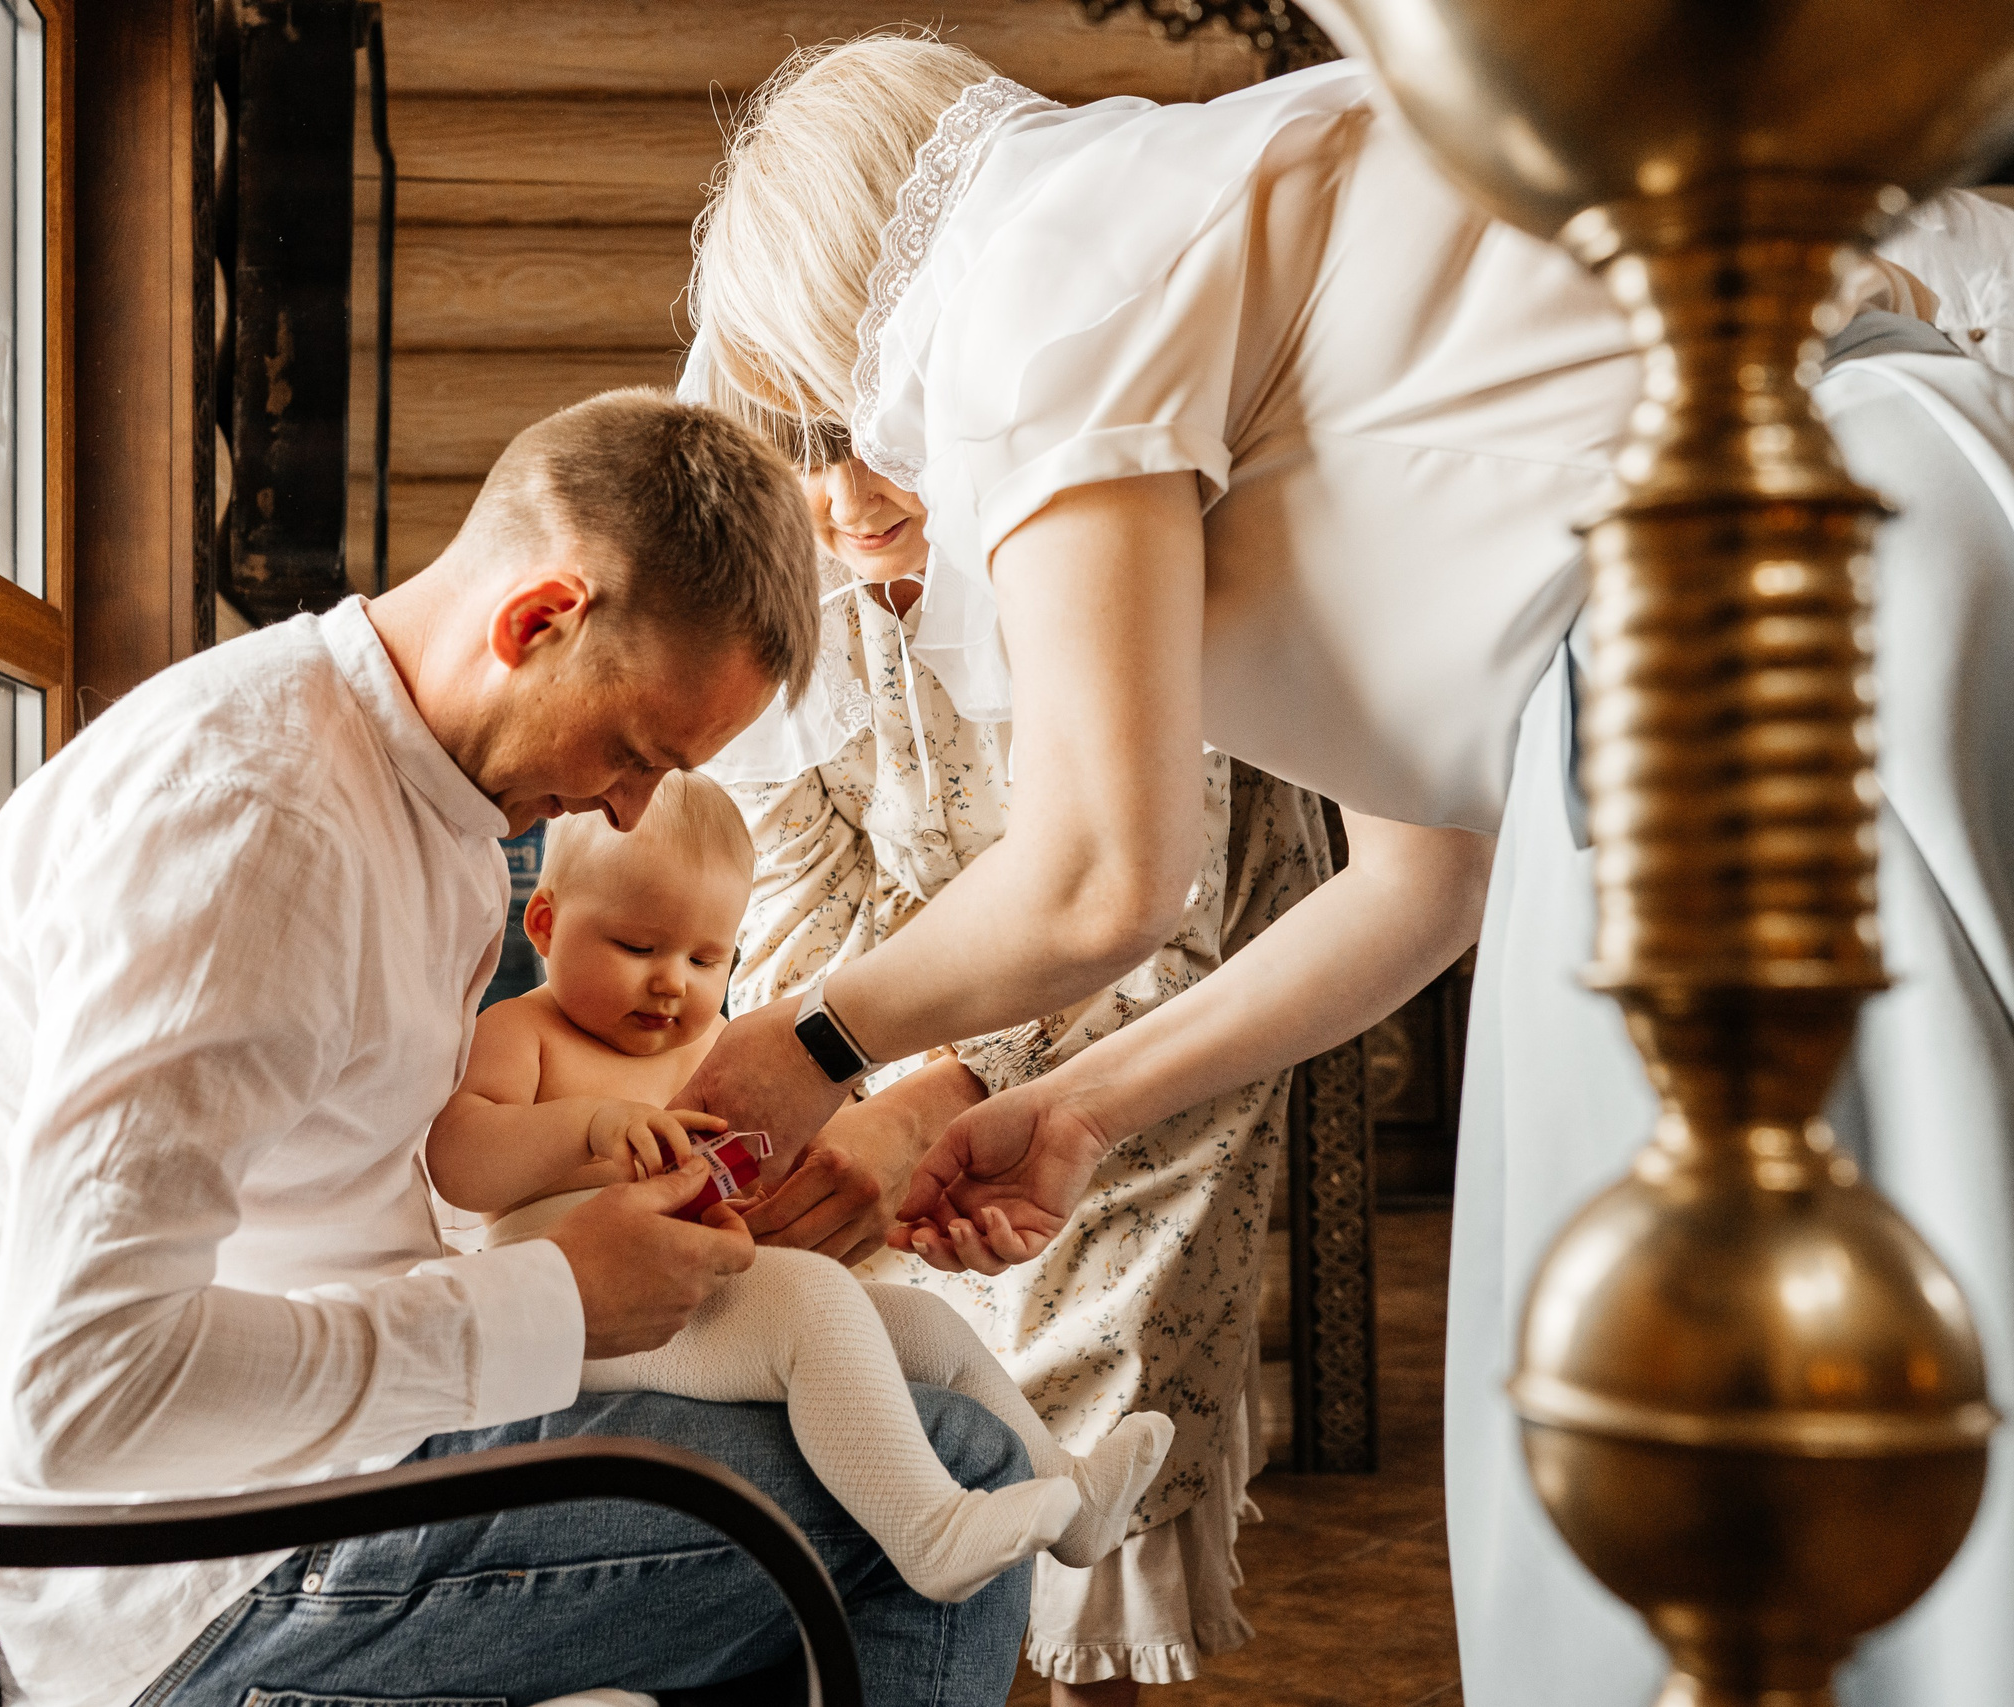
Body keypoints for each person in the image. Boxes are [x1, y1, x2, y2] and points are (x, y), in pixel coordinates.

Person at [671, 34, 2014, 1707]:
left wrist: (800, 1046)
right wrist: (1076, 1108)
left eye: (822, 401)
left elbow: (1103, 869)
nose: (851, 473)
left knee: (1823, 1340)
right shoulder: (1175, 281)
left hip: (1770, 621)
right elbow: (1413, 889)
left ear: (854, 304)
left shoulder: (1028, 287)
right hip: (1661, 686)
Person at [0, 389, 1037, 1707]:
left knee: (882, 1400)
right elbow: (80, 1397)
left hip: (334, 1466)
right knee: (952, 1475)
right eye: (635, 753)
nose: (628, 808)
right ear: (537, 619)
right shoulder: (254, 825)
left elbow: (361, 1188)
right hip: (197, 1581)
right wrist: (558, 1298)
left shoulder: (418, 793)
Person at [702, 445, 1327, 1698]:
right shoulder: (781, 606)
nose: (852, 504)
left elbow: (1159, 910)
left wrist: (943, 1093)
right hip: (893, 993)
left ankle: (1093, 1668)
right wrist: (858, 1102)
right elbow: (796, 906)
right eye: (809, 466)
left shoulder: (1093, 551)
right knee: (843, 1323)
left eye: (886, 452)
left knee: (1092, 1354)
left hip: (1163, 997)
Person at [429, 771, 1175, 1605]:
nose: (671, 980)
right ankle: (931, 1531)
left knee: (928, 1327)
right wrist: (590, 1127)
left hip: (703, 1297)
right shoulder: (524, 1030)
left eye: (706, 957)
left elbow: (773, 1166)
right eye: (637, 947)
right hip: (589, 1315)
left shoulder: (712, 1046)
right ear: (545, 921)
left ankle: (1069, 1494)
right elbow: (458, 1163)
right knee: (815, 1304)